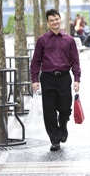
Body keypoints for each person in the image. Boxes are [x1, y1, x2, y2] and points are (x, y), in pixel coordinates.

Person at [30, 9, 81, 152]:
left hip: (64, 78)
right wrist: (35, 80)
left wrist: (77, 78)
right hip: (47, 78)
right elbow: (36, 61)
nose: (55, 22)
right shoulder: (42, 40)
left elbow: (75, 61)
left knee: (65, 109)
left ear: (60, 19)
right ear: (48, 23)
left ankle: (63, 125)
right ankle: (54, 139)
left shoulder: (69, 40)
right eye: (52, 20)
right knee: (49, 110)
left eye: (57, 19)